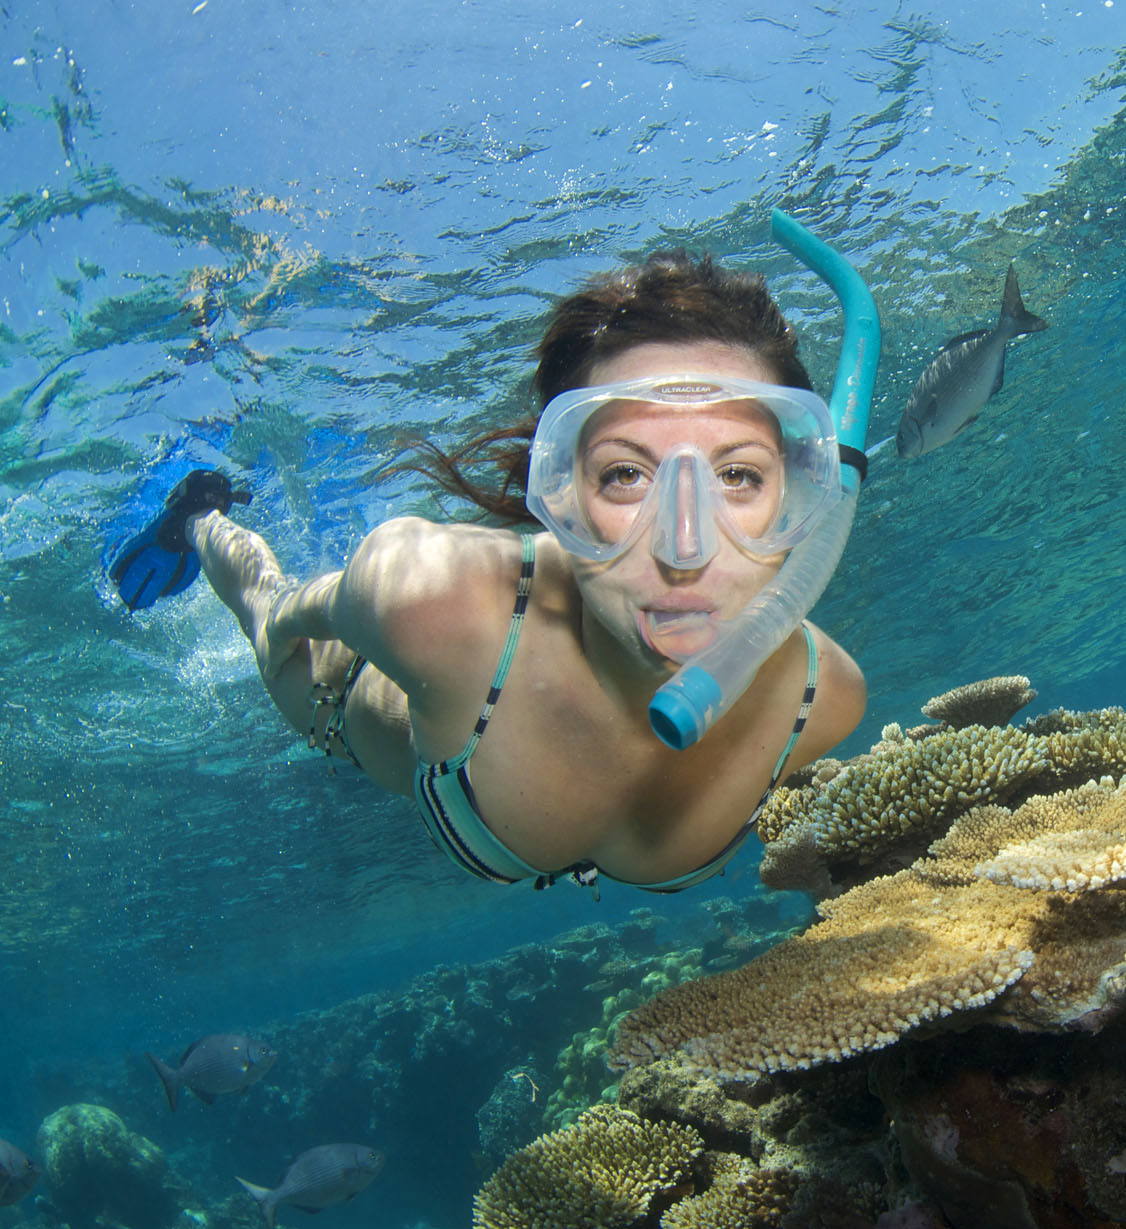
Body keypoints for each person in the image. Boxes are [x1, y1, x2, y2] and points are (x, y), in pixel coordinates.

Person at [107, 246, 867, 891]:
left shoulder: (824, 700)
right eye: (626, 476)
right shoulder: (430, 598)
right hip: (336, 693)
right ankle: (199, 517)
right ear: (562, 494)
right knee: (259, 595)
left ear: (801, 496)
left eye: (738, 477)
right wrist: (273, 623)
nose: (686, 546)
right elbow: (292, 617)